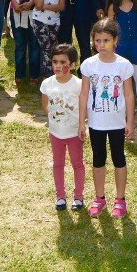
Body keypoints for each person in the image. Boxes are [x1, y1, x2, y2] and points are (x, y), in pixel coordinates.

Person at [79, 18, 135, 219]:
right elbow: (84, 94)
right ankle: (99, 198)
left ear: (115, 40)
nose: (101, 45)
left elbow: (128, 94)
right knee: (98, 159)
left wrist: (130, 122)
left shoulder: (124, 65)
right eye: (98, 40)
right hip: (96, 124)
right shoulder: (88, 64)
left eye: (106, 40)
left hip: (117, 123)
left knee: (119, 158)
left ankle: (120, 200)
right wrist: (82, 122)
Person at [40, 44, 85, 212]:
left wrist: (81, 125)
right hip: (55, 133)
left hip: (74, 133)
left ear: (72, 65)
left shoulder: (79, 85)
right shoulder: (47, 84)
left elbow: (83, 108)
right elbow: (45, 106)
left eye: (62, 62)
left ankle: (78, 196)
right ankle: (60, 196)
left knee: (77, 164)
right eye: (55, 62)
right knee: (58, 164)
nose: (58, 66)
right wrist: (55, 120)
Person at [106, 0, 137, 122]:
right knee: (121, 78)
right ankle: (121, 107)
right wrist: (113, 45)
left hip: (136, 43)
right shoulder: (113, 8)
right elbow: (109, 28)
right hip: (121, 45)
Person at [29, 0, 66, 79]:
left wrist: (44, 6)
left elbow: (61, 6)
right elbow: (37, 6)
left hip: (55, 22)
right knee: (47, 48)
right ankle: (48, 77)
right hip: (39, 21)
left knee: (50, 49)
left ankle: (49, 76)